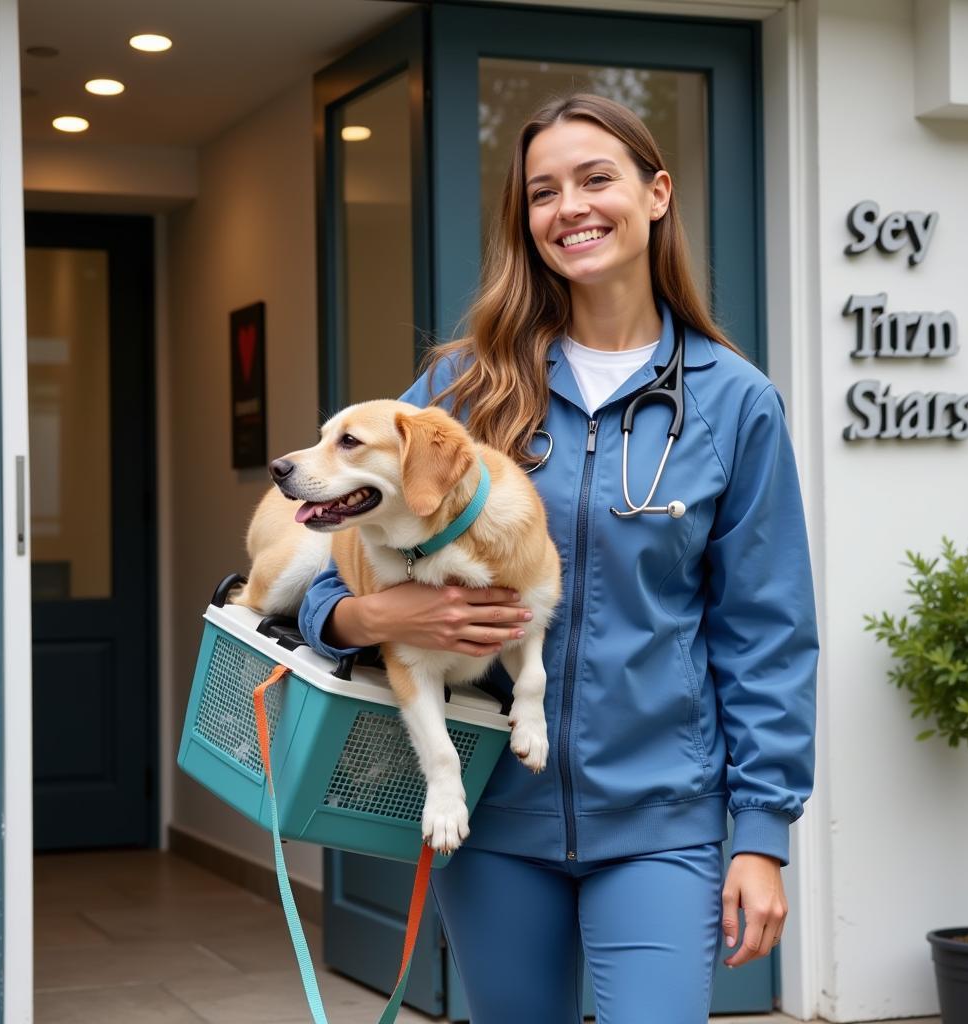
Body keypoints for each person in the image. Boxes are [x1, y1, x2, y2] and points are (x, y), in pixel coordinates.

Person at [300, 94, 818, 1024]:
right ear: (525, 222)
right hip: (492, 813)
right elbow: (329, 562)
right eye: (542, 191)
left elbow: (765, 630)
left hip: (662, 821)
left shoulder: (736, 404)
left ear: (656, 195)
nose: (569, 207)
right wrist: (368, 618)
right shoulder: (459, 391)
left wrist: (764, 834)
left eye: (596, 179)